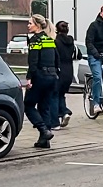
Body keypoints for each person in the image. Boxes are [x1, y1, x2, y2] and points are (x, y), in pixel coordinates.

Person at [24, 14, 60, 148]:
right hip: (52, 77)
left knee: (28, 105)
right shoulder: (49, 39)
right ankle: (44, 141)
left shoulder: (35, 40)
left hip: (40, 76)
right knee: (44, 107)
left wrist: (29, 78)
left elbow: (33, 62)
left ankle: (44, 130)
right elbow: (57, 59)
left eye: (30, 23)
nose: (28, 26)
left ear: (37, 25)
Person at [53, 21, 78, 129]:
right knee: (61, 94)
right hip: (69, 71)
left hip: (59, 70)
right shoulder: (71, 41)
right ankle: (64, 114)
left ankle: (64, 112)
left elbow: (55, 57)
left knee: (55, 94)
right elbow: (78, 55)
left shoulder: (56, 42)